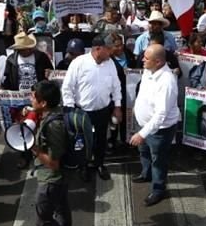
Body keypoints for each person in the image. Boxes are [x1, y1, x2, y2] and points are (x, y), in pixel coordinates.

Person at [29, 80, 83, 226]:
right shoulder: (53, 114)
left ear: (43, 103)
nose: (30, 98)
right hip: (59, 178)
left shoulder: (53, 125)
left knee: (43, 220)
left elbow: (53, 163)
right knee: (61, 209)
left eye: (33, 96)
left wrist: (34, 149)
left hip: (52, 178)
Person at [61, 35, 122, 182]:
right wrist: (70, 110)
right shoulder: (79, 63)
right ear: (98, 49)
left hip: (102, 111)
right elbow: (67, 87)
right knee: (83, 141)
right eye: (109, 50)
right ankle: (83, 166)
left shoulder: (110, 64)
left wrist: (117, 106)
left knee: (101, 140)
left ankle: (99, 164)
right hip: (82, 112)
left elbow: (116, 86)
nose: (111, 53)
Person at [130, 43, 179, 206]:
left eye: (146, 58)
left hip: (159, 130)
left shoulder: (167, 82)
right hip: (143, 123)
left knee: (158, 159)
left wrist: (142, 134)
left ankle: (158, 189)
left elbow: (160, 115)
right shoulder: (148, 70)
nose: (142, 60)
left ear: (158, 62)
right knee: (143, 151)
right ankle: (146, 173)